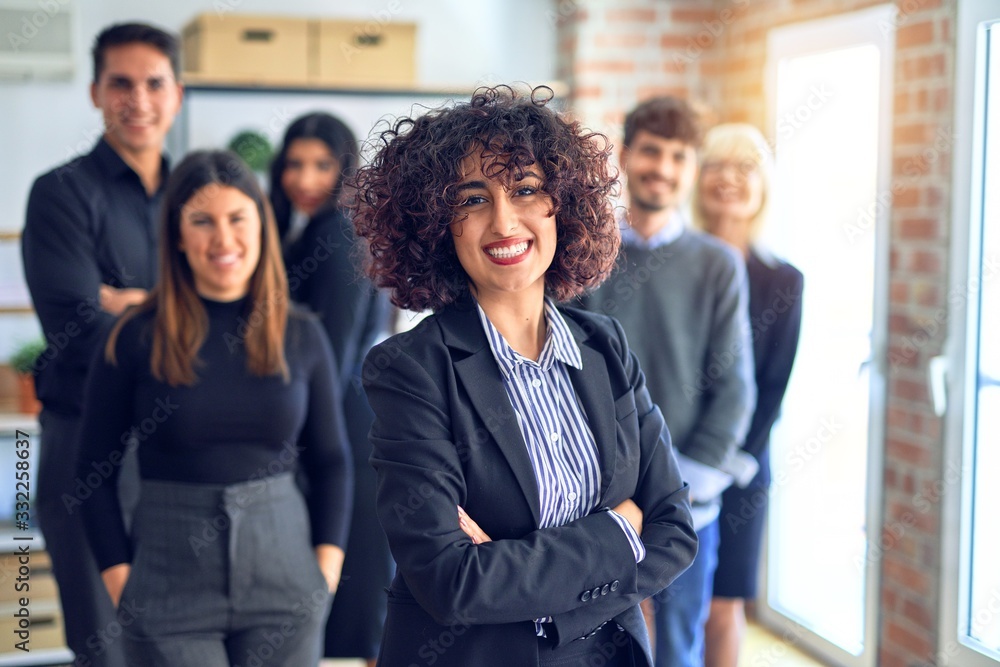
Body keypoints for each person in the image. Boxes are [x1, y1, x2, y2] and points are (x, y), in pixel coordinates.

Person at [351, 85, 698, 667]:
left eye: (527, 189)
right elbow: (453, 583)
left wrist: (533, 585)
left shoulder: (604, 346)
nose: (504, 221)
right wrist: (617, 532)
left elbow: (673, 530)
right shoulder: (409, 371)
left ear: (564, 203)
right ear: (439, 224)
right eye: (472, 198)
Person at [75, 150, 353, 665]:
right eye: (202, 221)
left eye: (236, 218)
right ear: (178, 236)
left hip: (286, 573)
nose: (223, 239)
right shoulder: (134, 337)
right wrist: (121, 582)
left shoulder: (302, 334)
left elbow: (332, 462)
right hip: (166, 579)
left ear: (262, 226)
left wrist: (325, 574)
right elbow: (92, 470)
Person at [20, 22, 183, 667]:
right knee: (108, 646)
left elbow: (242, 315)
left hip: (184, 450)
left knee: (179, 642)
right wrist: (181, 312)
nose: (137, 99)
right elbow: (80, 328)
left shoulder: (198, 196)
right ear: (94, 92)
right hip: (90, 446)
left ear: (176, 93)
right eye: (120, 82)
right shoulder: (60, 194)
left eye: (153, 83)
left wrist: (131, 304)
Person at [581, 96, 757, 667]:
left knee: (679, 645)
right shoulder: (587, 255)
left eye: (678, 156)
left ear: (691, 167)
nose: (663, 168)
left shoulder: (717, 265)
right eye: (652, 152)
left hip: (688, 496)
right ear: (628, 155)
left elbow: (735, 388)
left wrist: (682, 486)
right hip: (595, 496)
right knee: (595, 642)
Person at [271, 112, 394, 666]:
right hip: (337, 424)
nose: (305, 178)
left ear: (345, 170)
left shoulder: (339, 234)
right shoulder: (313, 229)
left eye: (322, 164)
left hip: (341, 431)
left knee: (351, 602)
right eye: (294, 164)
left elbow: (333, 352)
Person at [692, 123, 803, 667]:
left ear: (764, 186)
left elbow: (773, 387)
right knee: (655, 601)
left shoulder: (784, 280)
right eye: (716, 165)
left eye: (745, 167)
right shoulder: (678, 265)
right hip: (671, 458)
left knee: (721, 606)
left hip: (739, 466)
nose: (729, 179)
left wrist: (727, 461)